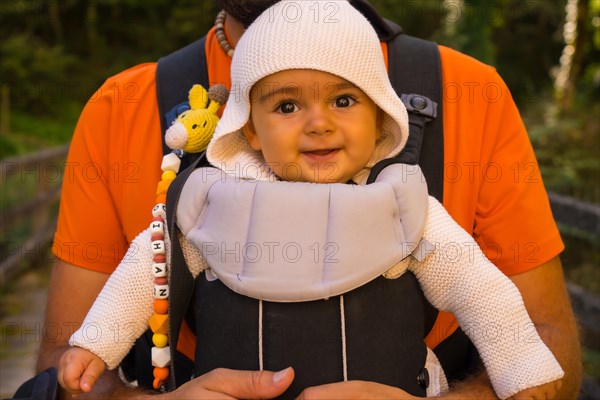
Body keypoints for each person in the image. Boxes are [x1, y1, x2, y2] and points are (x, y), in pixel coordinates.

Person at [39, 0, 581, 399]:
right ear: (248, 131)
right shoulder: (168, 155)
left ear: (382, 116)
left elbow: (477, 286)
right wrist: (96, 346)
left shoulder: (424, 169)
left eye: (344, 101)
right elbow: (149, 268)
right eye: (287, 107)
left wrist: (520, 373)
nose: (319, 125)